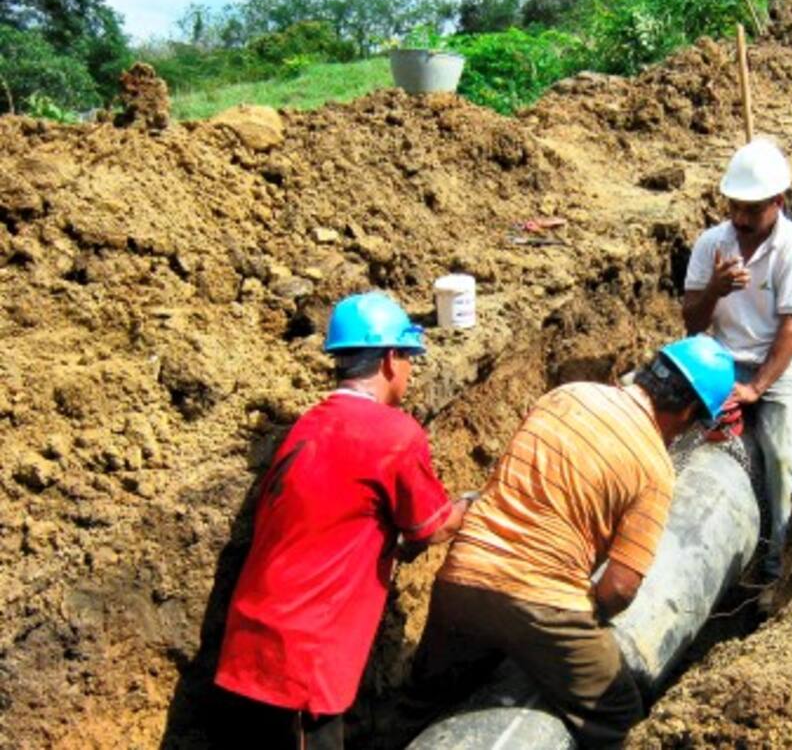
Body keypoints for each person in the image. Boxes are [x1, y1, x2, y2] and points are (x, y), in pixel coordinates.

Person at [398, 336, 735, 749]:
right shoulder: (654, 467)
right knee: (619, 714)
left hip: (462, 578)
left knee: (423, 699)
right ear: (687, 412)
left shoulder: (565, 395)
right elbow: (620, 586)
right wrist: (575, 623)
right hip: (545, 602)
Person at [214, 291, 470, 750]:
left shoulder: (310, 424)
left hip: (251, 649)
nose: (410, 372)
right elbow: (429, 527)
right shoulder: (395, 434)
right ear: (392, 360)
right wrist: (472, 505)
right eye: (409, 359)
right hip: (300, 670)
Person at [681, 137, 792, 582]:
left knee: (781, 459)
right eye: (734, 207)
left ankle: (776, 565)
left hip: (780, 367)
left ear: (777, 202)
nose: (740, 218)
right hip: (720, 357)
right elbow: (691, 322)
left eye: (752, 209)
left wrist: (756, 388)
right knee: (665, 412)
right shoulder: (712, 244)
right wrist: (714, 290)